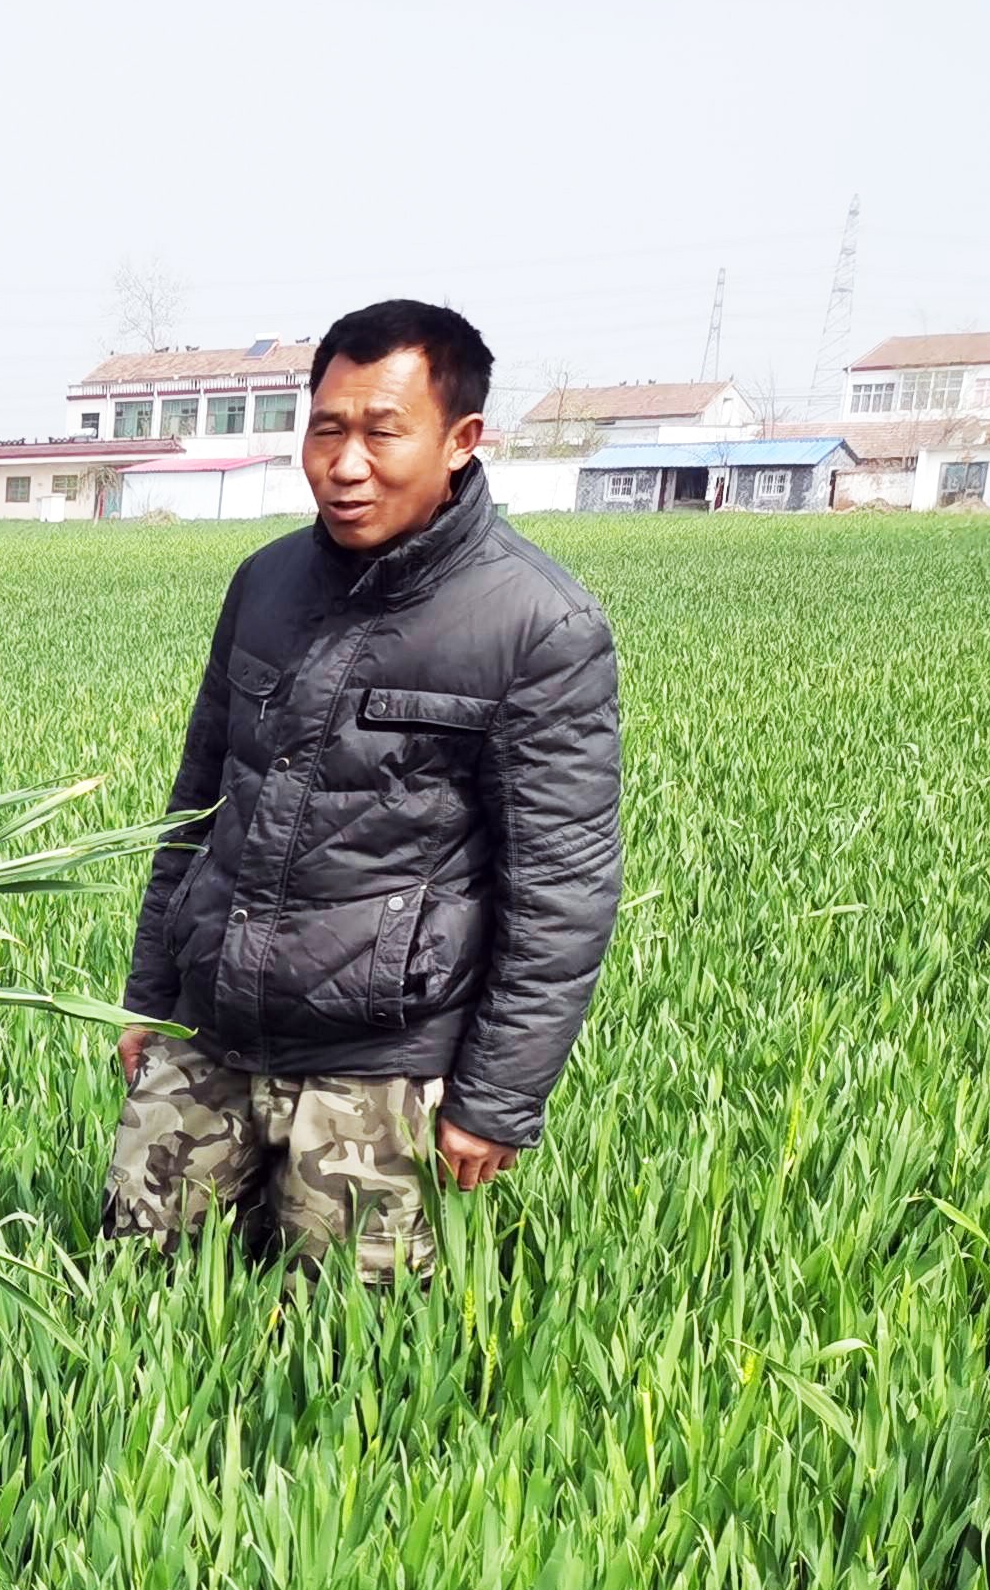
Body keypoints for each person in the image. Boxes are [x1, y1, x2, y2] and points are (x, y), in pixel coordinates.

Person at [109, 298, 622, 1281]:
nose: (347, 464)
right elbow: (198, 811)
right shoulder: (263, 584)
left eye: (383, 433)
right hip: (210, 1035)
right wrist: (149, 998)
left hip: (380, 1066)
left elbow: (561, 891)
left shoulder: (537, 625)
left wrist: (496, 1099)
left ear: (461, 440)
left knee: (342, 1363)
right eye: (327, 430)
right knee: (139, 1302)